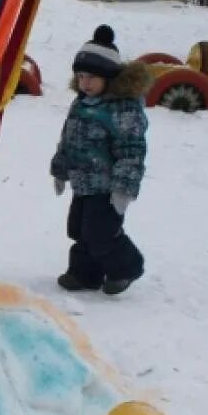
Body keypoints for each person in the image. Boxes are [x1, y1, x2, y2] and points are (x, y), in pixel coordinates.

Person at [50, 25, 151, 296]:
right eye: (81, 77)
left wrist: (123, 189)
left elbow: (132, 150)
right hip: (83, 183)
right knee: (78, 229)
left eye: (92, 78)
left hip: (107, 187)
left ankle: (127, 268)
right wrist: (60, 170)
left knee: (100, 233)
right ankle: (85, 275)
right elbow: (68, 139)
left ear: (109, 77)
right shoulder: (82, 104)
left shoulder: (123, 109)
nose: (85, 84)